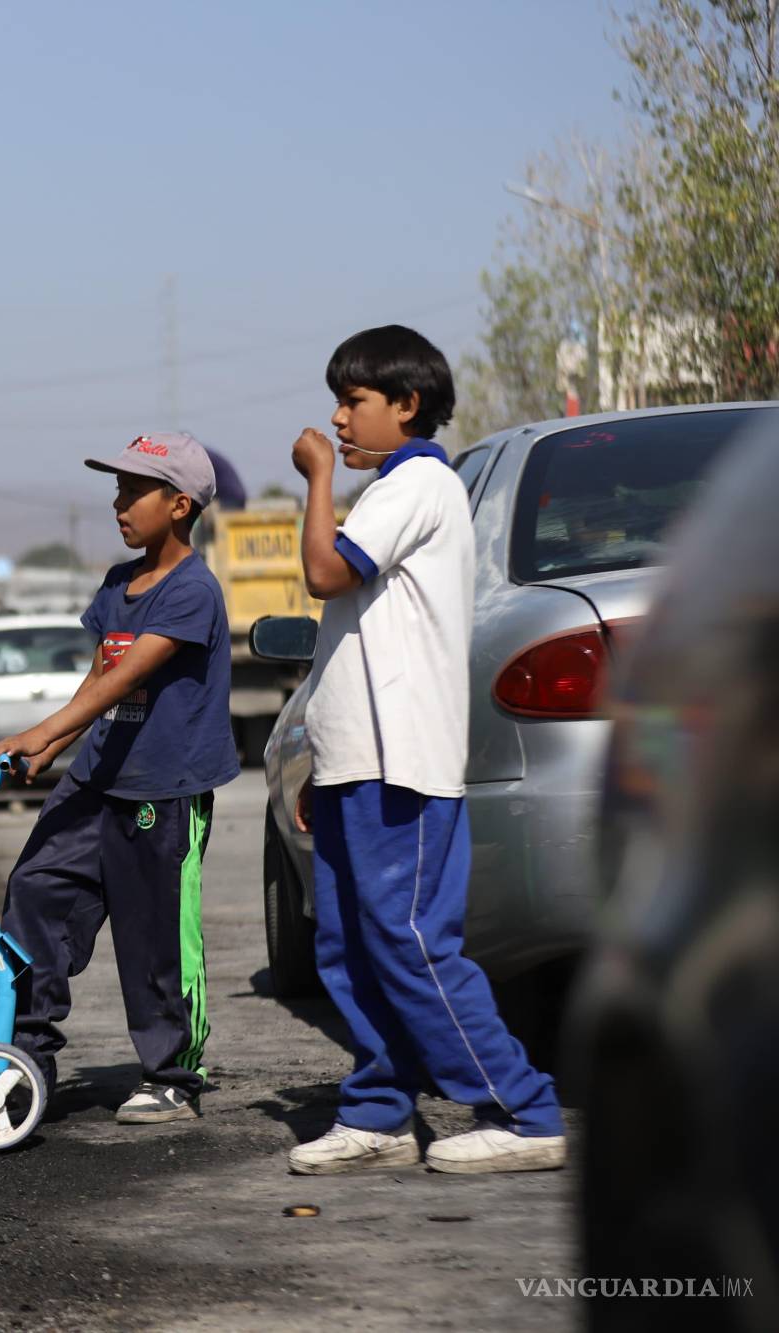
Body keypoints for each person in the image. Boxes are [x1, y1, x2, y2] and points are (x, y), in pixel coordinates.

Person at [285, 325, 564, 1175]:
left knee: (409, 939)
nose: (337, 418)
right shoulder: (395, 489)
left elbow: (327, 573)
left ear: (406, 406)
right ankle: (378, 1106)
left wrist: (319, 479)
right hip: (352, 761)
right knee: (348, 941)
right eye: (337, 401)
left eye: (354, 401)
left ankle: (523, 1110)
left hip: (397, 762)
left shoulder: (418, 480)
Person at [0, 432, 239, 1125]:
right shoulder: (120, 584)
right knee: (35, 888)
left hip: (164, 788)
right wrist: (54, 742)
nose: (118, 504)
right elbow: (99, 677)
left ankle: (171, 1074)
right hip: (97, 778)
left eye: (133, 491)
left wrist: (42, 728)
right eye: (116, 489)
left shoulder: (193, 591)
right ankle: (20, 1046)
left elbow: (130, 674)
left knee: (155, 937)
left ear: (180, 505)